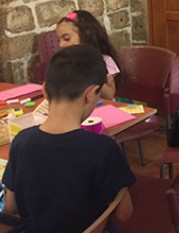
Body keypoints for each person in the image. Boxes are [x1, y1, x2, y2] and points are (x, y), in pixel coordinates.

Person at [2, 44, 136, 233]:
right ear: (90, 94)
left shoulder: (21, 142)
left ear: (45, 91)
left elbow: (10, 207)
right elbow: (124, 213)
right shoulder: (104, 149)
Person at [56, 10, 121, 100]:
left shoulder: (105, 61)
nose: (61, 44)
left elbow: (110, 95)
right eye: (59, 40)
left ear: (86, 35)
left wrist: (89, 76)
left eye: (66, 39)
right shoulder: (66, 62)